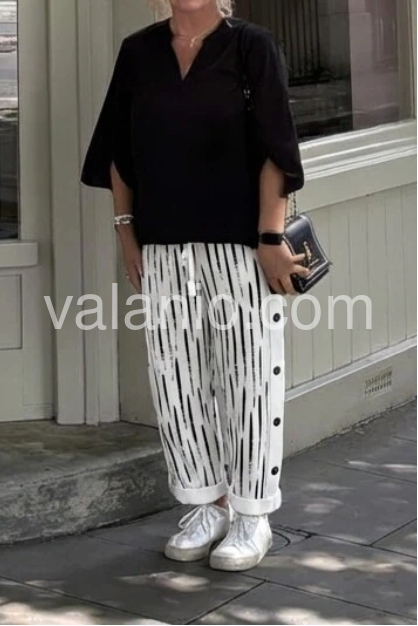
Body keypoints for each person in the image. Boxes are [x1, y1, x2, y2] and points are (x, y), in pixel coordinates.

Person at [80, 0, 307, 572]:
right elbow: (118, 152)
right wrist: (127, 233)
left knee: (249, 375)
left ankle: (252, 514)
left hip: (240, 245)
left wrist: (270, 235)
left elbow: (277, 149)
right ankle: (205, 504)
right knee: (175, 377)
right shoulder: (138, 52)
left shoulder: (251, 46)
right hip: (162, 244)